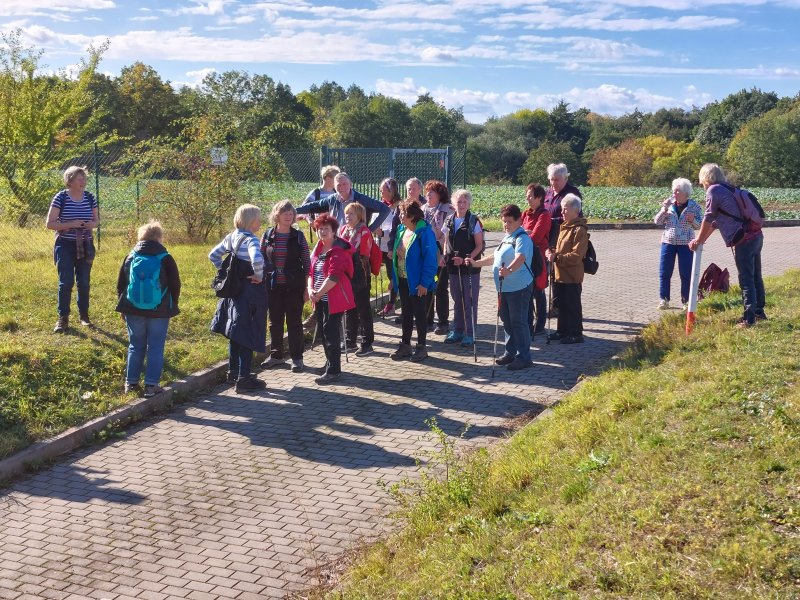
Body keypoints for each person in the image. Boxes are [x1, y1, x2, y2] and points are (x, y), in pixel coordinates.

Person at [688, 163, 766, 327]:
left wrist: (698, 240)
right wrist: (702, 240)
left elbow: (708, 218)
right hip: (755, 235)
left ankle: (749, 319)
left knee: (746, 279)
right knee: (756, 276)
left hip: (743, 240)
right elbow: (716, 222)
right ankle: (759, 313)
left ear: (705, 177)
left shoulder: (713, 190)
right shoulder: (728, 188)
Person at [116, 221, 181, 398]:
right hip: (159, 310)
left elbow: (122, 284)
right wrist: (171, 304)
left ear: (141, 237)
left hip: (133, 308)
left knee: (135, 346)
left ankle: (131, 383)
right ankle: (151, 386)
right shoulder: (166, 258)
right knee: (155, 347)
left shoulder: (131, 256)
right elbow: (175, 284)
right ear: (159, 237)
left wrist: (123, 308)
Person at [466, 204, 535, 371]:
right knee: (507, 320)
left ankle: (524, 357)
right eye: (504, 221)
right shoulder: (507, 236)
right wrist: (476, 264)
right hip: (504, 288)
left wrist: (509, 270)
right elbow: (495, 257)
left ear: (519, 220)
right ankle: (510, 352)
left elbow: (520, 258)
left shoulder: (522, 238)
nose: (506, 225)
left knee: (518, 322)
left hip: (519, 287)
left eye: (510, 221)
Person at [209, 204, 268, 394]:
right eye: (258, 218)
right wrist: (259, 275)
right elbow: (257, 260)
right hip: (249, 292)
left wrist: (225, 272)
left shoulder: (231, 237)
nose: (260, 221)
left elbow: (213, 255)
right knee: (246, 333)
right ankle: (244, 379)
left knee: (234, 331)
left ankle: (232, 372)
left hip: (232, 291)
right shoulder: (251, 239)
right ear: (251, 221)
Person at [46, 165, 100, 332]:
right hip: (65, 245)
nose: (83, 180)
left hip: (85, 244)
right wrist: (71, 224)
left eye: (84, 177)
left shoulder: (90, 197)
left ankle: (84, 316)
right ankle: (63, 318)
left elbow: (97, 221)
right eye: (79, 178)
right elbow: (50, 224)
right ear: (70, 180)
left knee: (84, 281)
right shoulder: (61, 198)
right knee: (66, 282)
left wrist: (92, 224)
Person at [260, 200, 311, 373]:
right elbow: (260, 260)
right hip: (273, 286)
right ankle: (276, 356)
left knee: (294, 322)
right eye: (285, 213)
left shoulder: (298, 236)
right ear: (277, 215)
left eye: (291, 213)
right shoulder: (268, 235)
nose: (289, 216)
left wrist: (306, 289)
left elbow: (307, 263)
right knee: (275, 322)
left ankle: (297, 358)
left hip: (294, 286)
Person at [308, 214, 356, 384]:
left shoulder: (339, 250)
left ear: (334, 231)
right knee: (323, 331)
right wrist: (310, 289)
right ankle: (330, 364)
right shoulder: (318, 247)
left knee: (331, 333)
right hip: (320, 298)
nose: (322, 232)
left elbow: (333, 277)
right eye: (320, 229)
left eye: (326, 229)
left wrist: (318, 293)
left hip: (334, 299)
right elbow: (311, 271)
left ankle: (334, 370)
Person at [390, 199, 438, 362]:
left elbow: (431, 260)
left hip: (418, 283)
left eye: (402, 213)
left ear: (412, 216)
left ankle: (421, 347)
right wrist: (394, 279)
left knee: (420, 315)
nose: (400, 216)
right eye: (400, 213)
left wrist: (424, 283)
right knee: (406, 314)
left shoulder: (424, 232)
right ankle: (405, 346)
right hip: (403, 280)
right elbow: (397, 257)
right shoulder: (401, 229)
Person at [654, 178, 704, 310]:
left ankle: (686, 301)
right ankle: (664, 299)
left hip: (686, 244)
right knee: (664, 272)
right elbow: (657, 221)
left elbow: (700, 225)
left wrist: (693, 220)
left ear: (685, 193)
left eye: (677, 191)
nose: (674, 193)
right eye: (673, 191)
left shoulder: (694, 207)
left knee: (686, 273)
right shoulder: (669, 206)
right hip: (668, 242)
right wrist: (664, 209)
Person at [442, 189, 483, 347]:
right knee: (457, 300)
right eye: (459, 201)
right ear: (453, 203)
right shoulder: (449, 220)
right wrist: (445, 255)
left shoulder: (474, 221)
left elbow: (479, 245)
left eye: (464, 201)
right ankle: (457, 330)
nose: (461, 204)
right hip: (453, 267)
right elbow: (446, 241)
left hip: (469, 268)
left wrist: (468, 258)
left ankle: (470, 333)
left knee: (469, 301)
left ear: (469, 203)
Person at [545, 194, 588, 344]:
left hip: (572, 275)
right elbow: (559, 249)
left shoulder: (579, 230)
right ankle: (562, 331)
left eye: (565, 209)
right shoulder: (564, 227)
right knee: (561, 304)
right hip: (560, 273)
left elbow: (576, 255)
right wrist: (551, 252)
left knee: (572, 305)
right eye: (562, 209)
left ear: (575, 211)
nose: (562, 212)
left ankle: (576, 333)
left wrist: (557, 258)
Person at [543, 163, 582, 318]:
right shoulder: (548, 193)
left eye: (557, 180)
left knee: (562, 271)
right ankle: (555, 305)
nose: (553, 183)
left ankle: (564, 308)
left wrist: (552, 220)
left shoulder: (572, 193)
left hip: (565, 236)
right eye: (551, 179)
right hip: (549, 237)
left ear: (565, 178)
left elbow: (577, 216)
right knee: (551, 271)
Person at [295, 172, 390, 233]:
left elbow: (385, 209)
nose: (341, 187)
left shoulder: (360, 199)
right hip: (336, 240)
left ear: (351, 184)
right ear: (334, 187)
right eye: (338, 185)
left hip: (355, 241)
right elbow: (314, 205)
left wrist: (370, 229)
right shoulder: (332, 198)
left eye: (344, 184)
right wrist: (294, 210)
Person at [338, 202, 376, 357]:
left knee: (363, 307)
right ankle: (350, 339)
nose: (348, 216)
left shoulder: (364, 231)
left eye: (351, 213)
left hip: (360, 272)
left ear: (359, 215)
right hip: (346, 273)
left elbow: (364, 252)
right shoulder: (343, 229)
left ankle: (367, 342)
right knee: (349, 307)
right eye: (346, 213)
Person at [423, 179, 455, 335]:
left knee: (441, 287)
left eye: (432, 192)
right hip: (425, 252)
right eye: (427, 191)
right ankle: (427, 320)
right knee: (427, 286)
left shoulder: (448, 210)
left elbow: (444, 233)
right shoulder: (422, 209)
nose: (428, 194)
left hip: (441, 252)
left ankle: (443, 322)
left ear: (440, 194)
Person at [522, 183, 551, 336]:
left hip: (538, 257)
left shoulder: (544, 215)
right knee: (526, 289)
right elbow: (516, 230)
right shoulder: (526, 214)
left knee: (538, 291)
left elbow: (537, 237)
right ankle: (527, 322)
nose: (528, 199)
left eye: (530, 197)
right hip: (525, 256)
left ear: (539, 198)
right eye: (527, 196)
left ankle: (540, 325)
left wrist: (524, 235)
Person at [376, 177, 402, 316]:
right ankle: (391, 302)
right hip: (382, 246)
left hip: (395, 246)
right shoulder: (381, 205)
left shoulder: (399, 207)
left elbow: (398, 227)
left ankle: (393, 303)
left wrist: (383, 232)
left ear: (391, 190)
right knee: (389, 275)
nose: (381, 190)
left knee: (395, 275)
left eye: (383, 188)